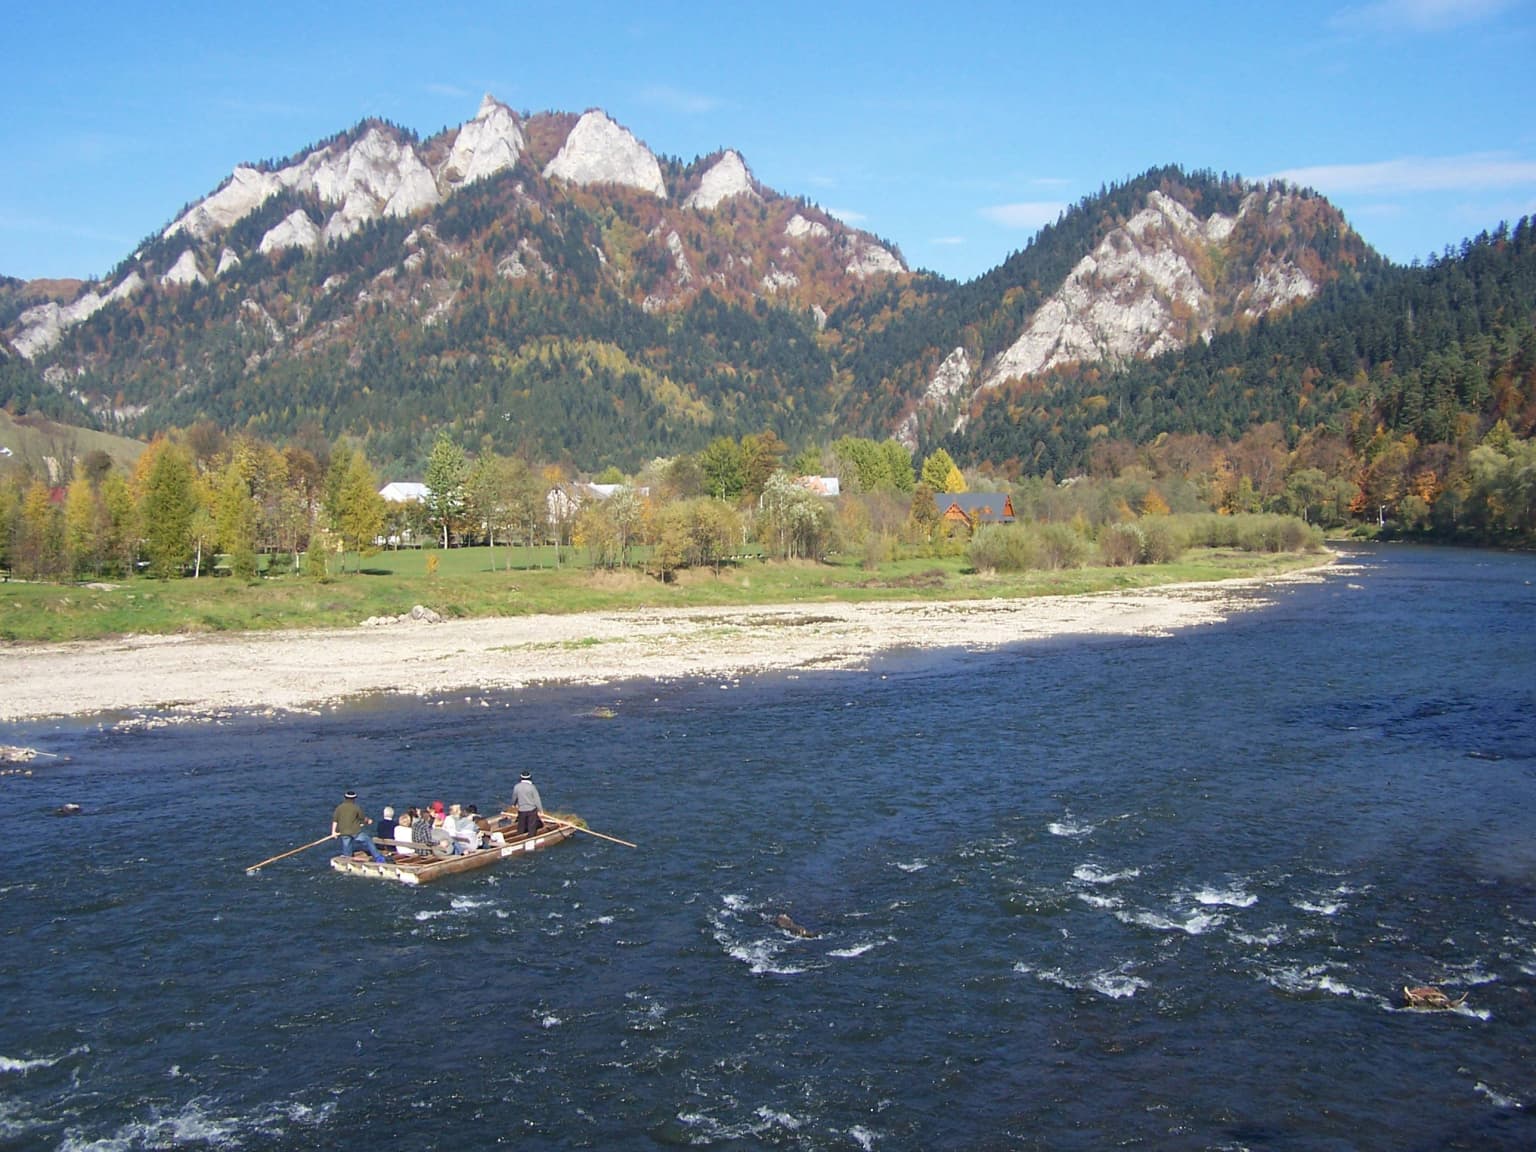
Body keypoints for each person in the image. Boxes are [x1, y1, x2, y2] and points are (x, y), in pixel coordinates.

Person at [331, 790, 387, 862]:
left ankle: (347, 860)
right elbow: (362, 818)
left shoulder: (339, 808)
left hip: (343, 832)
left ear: (345, 798)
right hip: (355, 832)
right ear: (354, 799)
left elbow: (335, 820)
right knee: (368, 840)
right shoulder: (356, 807)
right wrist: (368, 821)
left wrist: (333, 832)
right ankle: (378, 857)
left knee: (347, 847)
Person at [511, 771, 543, 837]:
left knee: (521, 827)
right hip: (531, 810)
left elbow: (514, 797)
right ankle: (531, 838)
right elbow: (537, 800)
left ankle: (519, 839)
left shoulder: (517, 787)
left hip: (521, 810)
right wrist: (540, 810)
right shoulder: (532, 787)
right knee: (532, 828)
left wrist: (513, 804)